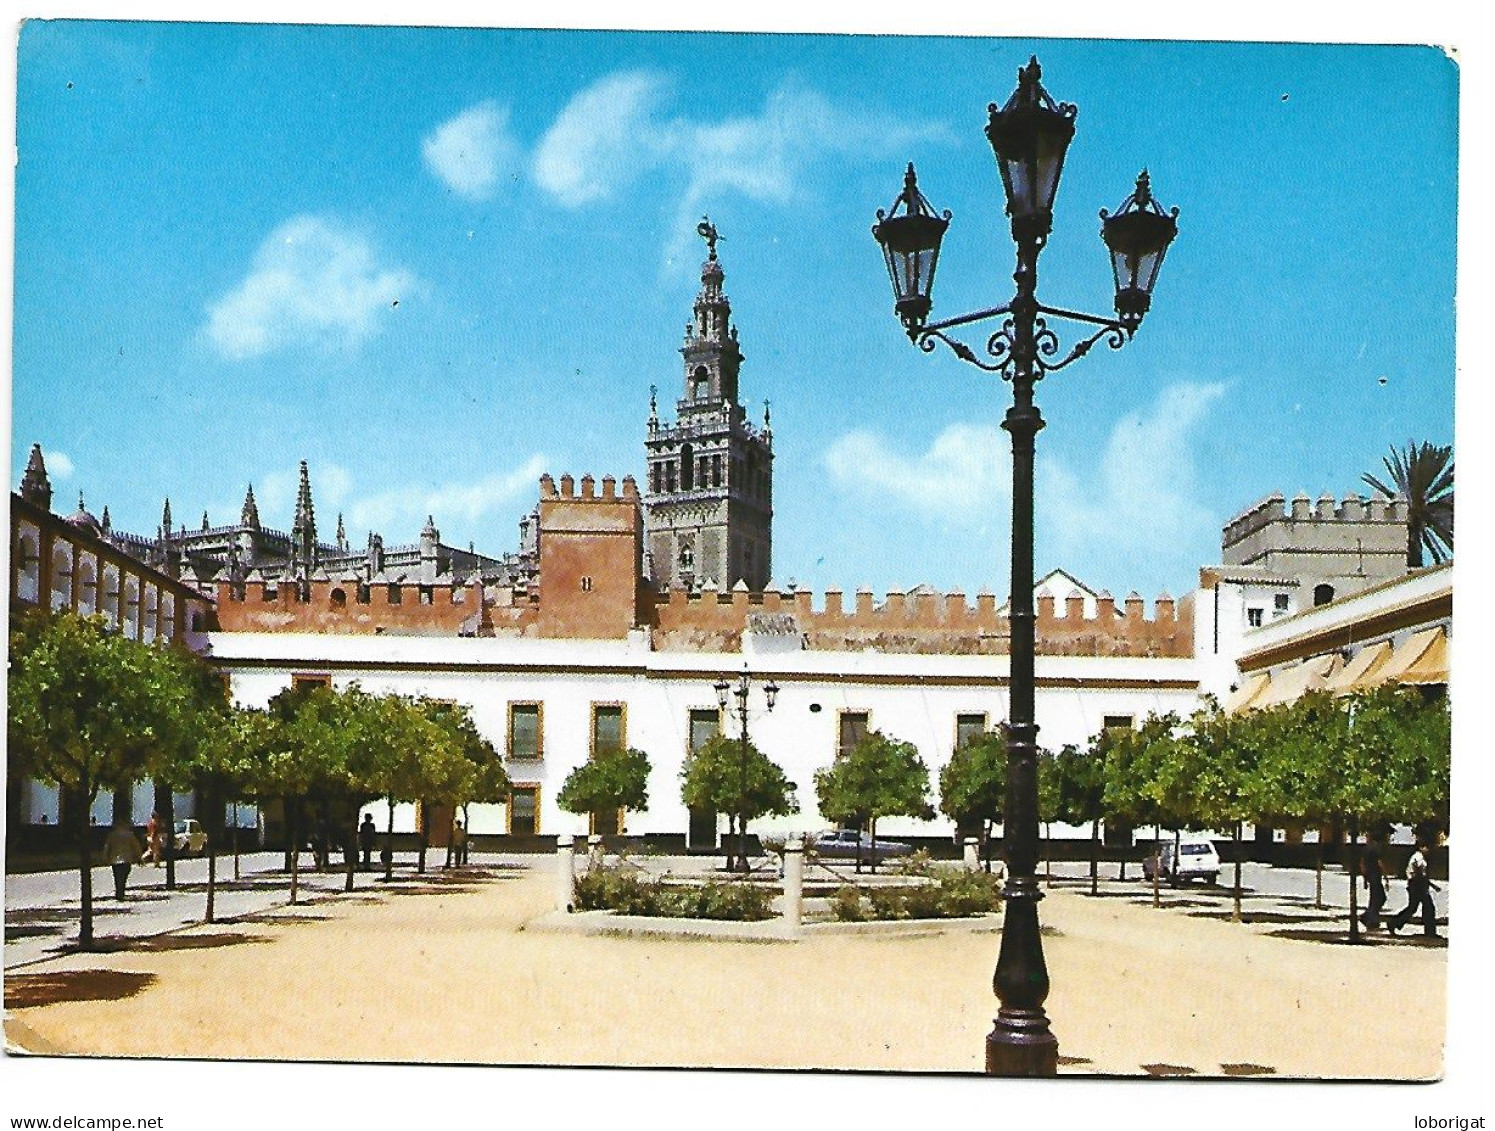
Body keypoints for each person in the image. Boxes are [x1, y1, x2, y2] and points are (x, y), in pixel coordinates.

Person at [1388, 838, 1439, 938]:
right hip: (1417, 885)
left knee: (1415, 908)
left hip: (1417, 884)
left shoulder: (1420, 857)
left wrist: (1432, 885)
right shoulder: (1418, 857)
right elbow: (1419, 874)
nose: (1428, 850)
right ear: (1421, 847)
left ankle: (1394, 923)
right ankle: (1429, 931)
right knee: (1427, 907)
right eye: (1426, 847)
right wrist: (1425, 886)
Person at [103, 817, 144, 899]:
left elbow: (107, 847)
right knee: (123, 876)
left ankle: (119, 892)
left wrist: (106, 858)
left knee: (117, 877)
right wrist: (139, 857)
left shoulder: (112, 835)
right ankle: (121, 892)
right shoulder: (129, 834)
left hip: (115, 860)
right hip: (126, 859)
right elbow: (136, 847)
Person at [1359, 831, 1387, 931]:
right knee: (1379, 898)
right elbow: (1380, 863)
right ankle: (1370, 919)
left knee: (1375, 898)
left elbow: (1362, 864)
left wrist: (1364, 877)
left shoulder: (1365, 849)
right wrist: (1386, 876)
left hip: (1370, 876)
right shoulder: (1376, 848)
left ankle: (1368, 917)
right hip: (1375, 875)